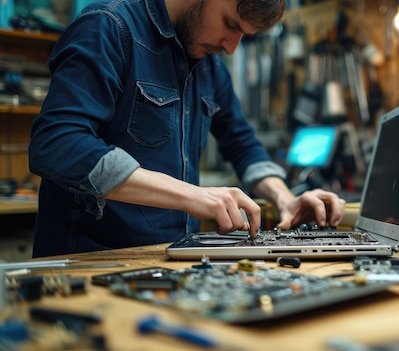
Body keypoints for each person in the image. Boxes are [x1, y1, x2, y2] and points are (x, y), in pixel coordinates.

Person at [28, 0, 346, 257]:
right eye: (231, 25)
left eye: (243, 36)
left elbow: (242, 144)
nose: (232, 47)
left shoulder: (210, 68)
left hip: (169, 261)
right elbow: (57, 144)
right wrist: (193, 195)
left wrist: (285, 198)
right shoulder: (108, 27)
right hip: (90, 264)